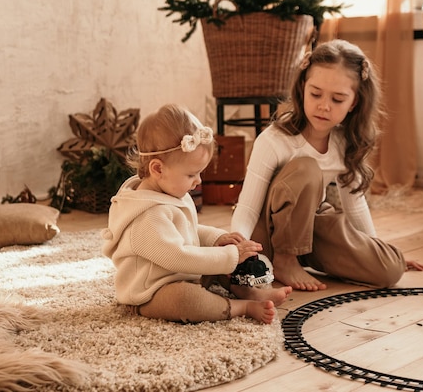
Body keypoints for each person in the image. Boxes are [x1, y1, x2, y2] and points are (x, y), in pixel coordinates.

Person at [230, 39, 423, 292]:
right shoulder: (274, 140)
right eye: (315, 94)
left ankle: (298, 257)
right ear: (302, 89)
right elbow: (247, 207)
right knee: (307, 168)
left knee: (389, 269)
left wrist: (378, 250)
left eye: (338, 99)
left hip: (312, 229)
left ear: (353, 103)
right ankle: (286, 260)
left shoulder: (346, 142)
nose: (324, 106)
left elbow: (354, 204)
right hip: (267, 233)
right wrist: (241, 249)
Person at [102, 104, 292, 324]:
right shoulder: (145, 216)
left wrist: (216, 238)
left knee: (221, 254)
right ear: (158, 169)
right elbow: (178, 256)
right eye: (192, 174)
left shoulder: (171, 190)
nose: (198, 181)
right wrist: (230, 256)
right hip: (151, 291)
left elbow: (187, 230)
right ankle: (241, 307)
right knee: (184, 300)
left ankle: (249, 292)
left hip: (185, 272)